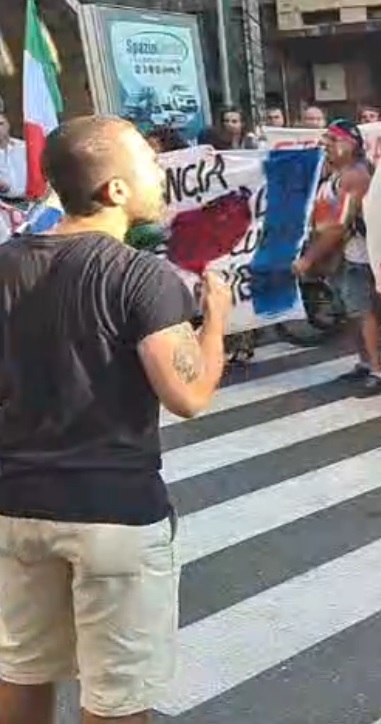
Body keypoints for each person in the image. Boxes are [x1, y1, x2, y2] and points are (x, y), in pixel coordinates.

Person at [0, 115, 229, 724]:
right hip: (113, 512)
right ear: (115, 189)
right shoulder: (141, 275)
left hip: (13, 503)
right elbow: (189, 395)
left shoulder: (4, 263)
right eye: (148, 163)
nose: (160, 172)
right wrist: (216, 323)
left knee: (22, 670)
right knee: (116, 696)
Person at [293, 120, 381, 394]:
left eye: (334, 140)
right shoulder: (333, 174)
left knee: (362, 311)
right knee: (350, 312)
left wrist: (309, 259)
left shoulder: (354, 176)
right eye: (326, 140)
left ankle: (378, 371)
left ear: (351, 144)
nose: (327, 146)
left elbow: (339, 224)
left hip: (357, 254)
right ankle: (365, 363)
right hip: (337, 256)